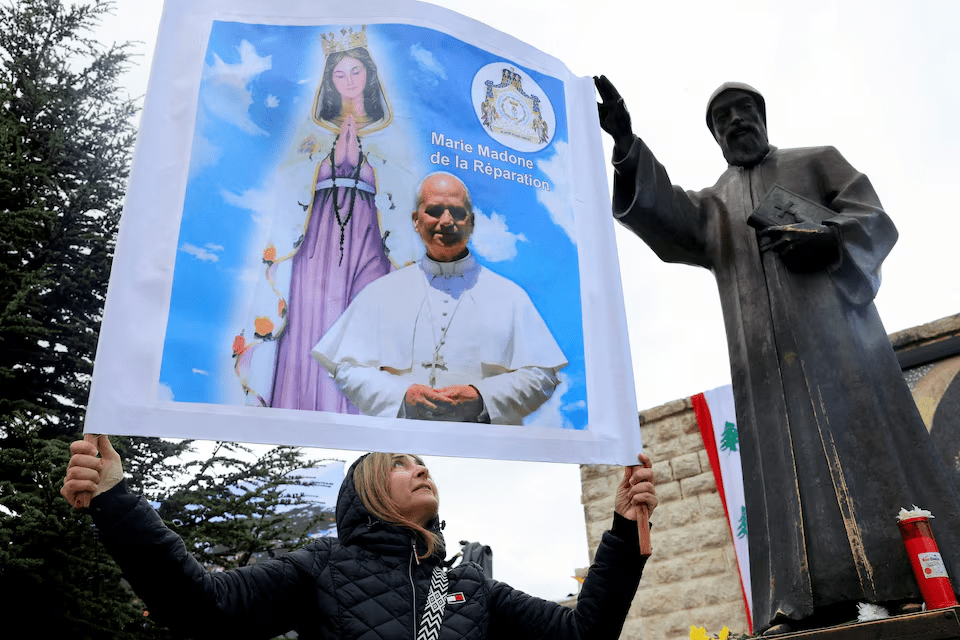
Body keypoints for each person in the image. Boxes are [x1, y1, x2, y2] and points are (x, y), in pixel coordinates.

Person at [595, 77, 960, 634]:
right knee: (782, 477)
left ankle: (908, 583)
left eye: (745, 110)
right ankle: (803, 603)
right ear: (715, 136)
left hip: (841, 353)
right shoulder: (715, 205)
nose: (736, 121)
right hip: (764, 373)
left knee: (870, 459)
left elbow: (873, 219)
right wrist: (625, 145)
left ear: (763, 116)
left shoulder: (817, 162)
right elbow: (665, 214)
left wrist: (832, 237)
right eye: (724, 118)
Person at [61, 435, 656, 640]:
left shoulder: (471, 586)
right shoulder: (321, 567)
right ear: (367, 490)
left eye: (422, 460)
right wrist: (116, 498)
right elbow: (201, 605)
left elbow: (584, 632)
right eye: (400, 462)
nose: (421, 468)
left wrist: (625, 530)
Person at [313, 172, 567, 425]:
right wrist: (401, 395)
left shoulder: (510, 295)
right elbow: (347, 368)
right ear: (416, 220)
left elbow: (542, 376)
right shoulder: (380, 293)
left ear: (472, 222)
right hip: (401, 442)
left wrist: (482, 397)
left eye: (457, 213)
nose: (446, 222)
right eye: (434, 211)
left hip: (485, 447)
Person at [269, 33, 393, 412]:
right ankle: (308, 406)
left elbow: (400, 183)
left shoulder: (390, 131)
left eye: (357, 71)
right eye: (340, 74)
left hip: (372, 237)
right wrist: (330, 164)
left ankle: (358, 410)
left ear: (370, 76)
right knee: (314, 319)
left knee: (368, 320)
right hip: (318, 238)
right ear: (329, 81)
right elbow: (288, 177)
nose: (350, 80)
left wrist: (361, 164)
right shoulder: (312, 130)